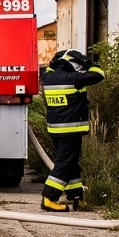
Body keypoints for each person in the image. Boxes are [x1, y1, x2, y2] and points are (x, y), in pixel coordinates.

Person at [40, 48, 104, 212]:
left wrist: (57, 59)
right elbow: (99, 74)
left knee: (71, 164)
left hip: (55, 129)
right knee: (64, 164)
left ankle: (76, 197)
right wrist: (87, 62)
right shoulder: (73, 78)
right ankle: (49, 197)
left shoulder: (48, 77)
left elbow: (49, 68)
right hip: (71, 129)